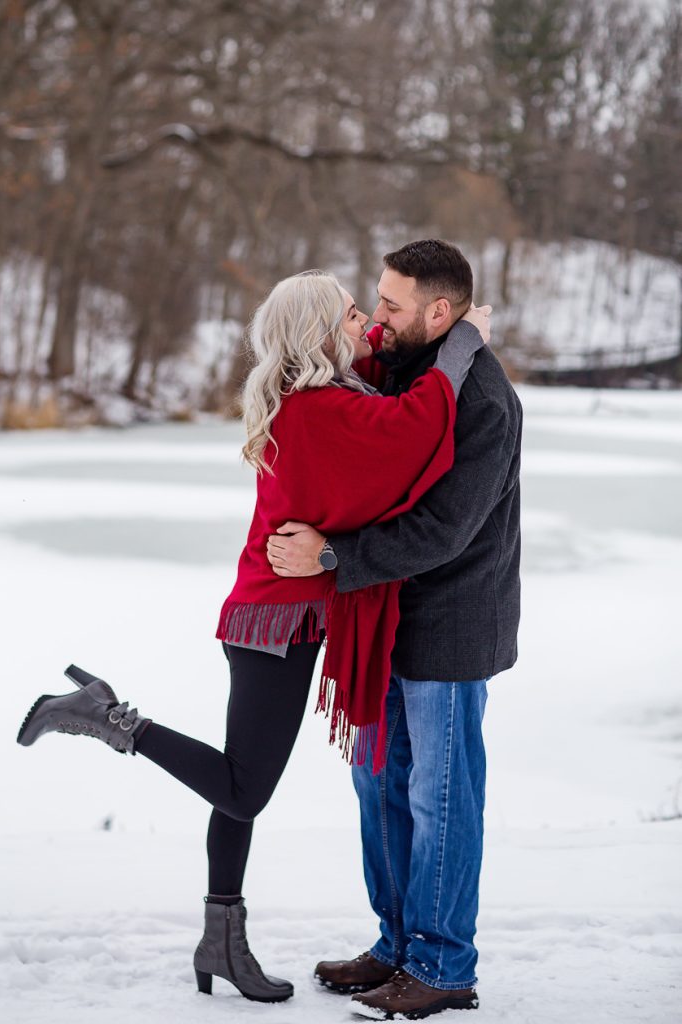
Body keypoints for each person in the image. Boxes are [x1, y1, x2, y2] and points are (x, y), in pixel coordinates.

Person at [16, 268, 488, 1007]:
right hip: (275, 624)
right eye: (351, 313)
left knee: (234, 786)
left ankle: (221, 941)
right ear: (319, 334)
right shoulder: (319, 411)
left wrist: (414, 335)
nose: (366, 321)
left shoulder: (317, 396)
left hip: (268, 618)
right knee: (243, 790)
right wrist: (461, 343)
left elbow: (371, 375)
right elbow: (412, 428)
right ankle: (108, 718)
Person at [266, 239, 523, 1019]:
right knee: (378, 786)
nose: (376, 316)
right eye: (375, 301)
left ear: (438, 313)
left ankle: (443, 964)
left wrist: (332, 555)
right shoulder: (407, 367)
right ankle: (395, 944)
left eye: (390, 304)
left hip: (448, 623)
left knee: (439, 798)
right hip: (383, 620)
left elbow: (443, 530)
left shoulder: (480, 399)